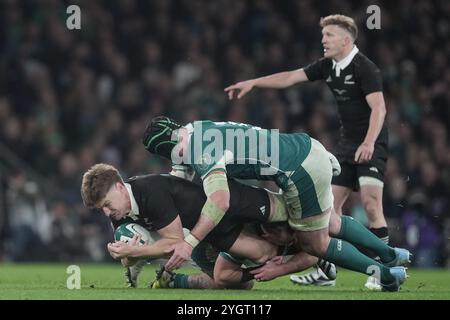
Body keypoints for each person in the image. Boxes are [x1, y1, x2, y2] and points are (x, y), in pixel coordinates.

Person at [143, 116, 409, 291]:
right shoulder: (197, 128)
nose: (174, 159)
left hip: (298, 172)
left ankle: (385, 275)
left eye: (166, 153)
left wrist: (188, 243)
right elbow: (178, 180)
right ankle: (390, 254)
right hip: (304, 149)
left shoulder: (200, 148)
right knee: (332, 222)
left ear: (170, 146)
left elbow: (220, 200)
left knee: (315, 243)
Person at [224, 14, 390, 290]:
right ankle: (327, 272)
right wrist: (253, 82)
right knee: (328, 214)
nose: (323, 40)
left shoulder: (365, 68)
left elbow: (380, 108)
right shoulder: (328, 66)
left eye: (329, 35)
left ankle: (383, 270)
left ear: (346, 40)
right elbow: (291, 77)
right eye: (323, 35)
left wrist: (370, 142)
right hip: (347, 145)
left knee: (372, 205)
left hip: (370, 143)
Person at [80, 163, 326, 288]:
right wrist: (124, 255)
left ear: (121, 188)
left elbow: (175, 244)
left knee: (272, 247)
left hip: (220, 218)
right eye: (102, 208)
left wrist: (136, 252)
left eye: (107, 204)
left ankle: (328, 248)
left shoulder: (150, 191)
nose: (107, 212)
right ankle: (175, 282)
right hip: (202, 236)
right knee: (235, 283)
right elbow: (132, 258)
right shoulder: (117, 211)